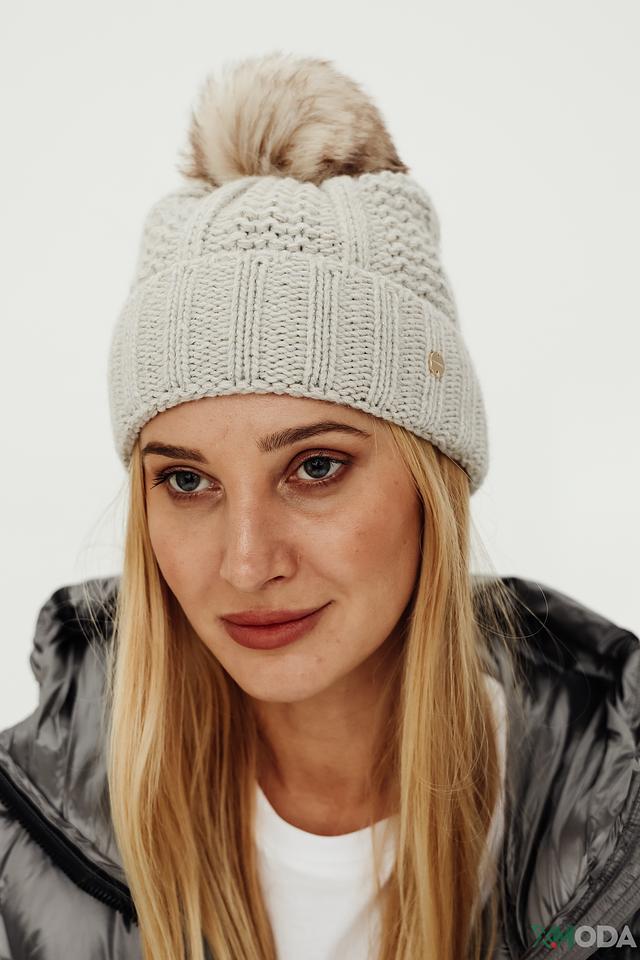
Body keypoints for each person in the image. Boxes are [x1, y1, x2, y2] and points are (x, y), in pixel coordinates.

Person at [0, 51, 638, 960]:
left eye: (316, 467)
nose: (246, 562)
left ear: (433, 479)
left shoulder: (616, 821)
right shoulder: (25, 836)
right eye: (186, 481)